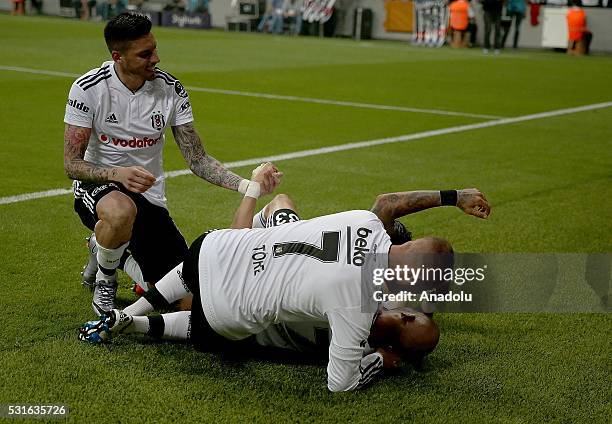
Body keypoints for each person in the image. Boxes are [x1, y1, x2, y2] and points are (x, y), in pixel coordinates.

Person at [79, 183, 490, 391]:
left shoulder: (365, 222)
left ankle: (126, 314)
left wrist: (456, 196)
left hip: (215, 249)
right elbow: (340, 384)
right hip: (227, 310)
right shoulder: (356, 308)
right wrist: (382, 360)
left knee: (194, 278)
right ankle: (127, 314)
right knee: (212, 314)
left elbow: (389, 203)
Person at [63, 12, 281, 315]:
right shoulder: (88, 89)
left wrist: (249, 184)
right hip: (98, 188)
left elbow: (198, 159)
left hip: (149, 199)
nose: (156, 58)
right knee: (120, 211)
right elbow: (72, 164)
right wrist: (118, 174)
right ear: (118, 57)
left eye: (154, 48)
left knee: (187, 302)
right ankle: (105, 282)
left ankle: (108, 250)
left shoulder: (170, 89)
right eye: (145, 54)